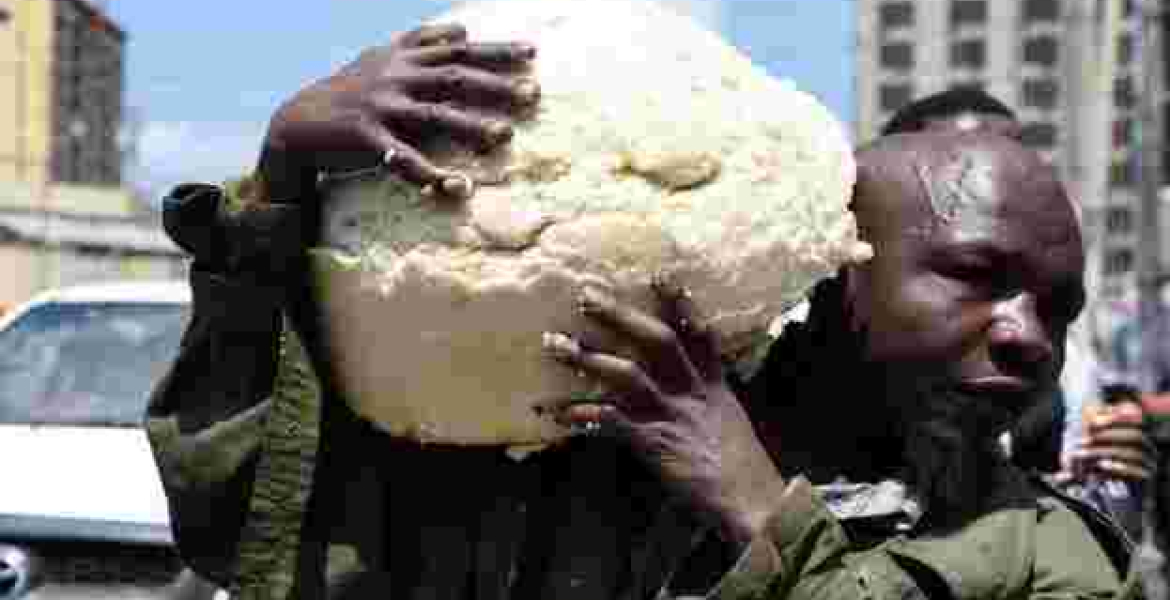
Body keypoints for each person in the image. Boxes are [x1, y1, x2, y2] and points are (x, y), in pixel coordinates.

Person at [147, 27, 1144, 600]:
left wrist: (761, 513)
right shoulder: (599, 457)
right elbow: (251, 524)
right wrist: (279, 191)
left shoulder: (1046, 552)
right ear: (844, 268)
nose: (1027, 336)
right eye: (975, 275)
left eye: (1058, 309)